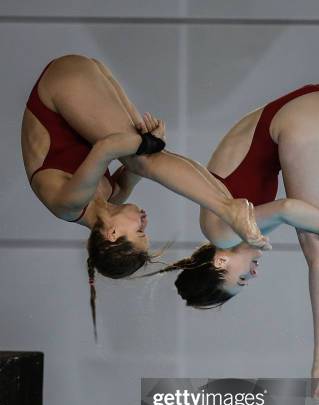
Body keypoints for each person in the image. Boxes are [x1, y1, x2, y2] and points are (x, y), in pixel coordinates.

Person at [21, 54, 269, 335]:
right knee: (146, 157)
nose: (145, 224)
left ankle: (225, 207)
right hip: (80, 79)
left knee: (142, 158)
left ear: (112, 234)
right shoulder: (109, 198)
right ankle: (225, 204)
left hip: (59, 87)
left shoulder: (69, 204)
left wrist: (146, 146)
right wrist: (153, 141)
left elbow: (107, 148)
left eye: (139, 233)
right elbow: (136, 171)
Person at [147, 84, 319, 404]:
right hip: (318, 107)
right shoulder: (238, 232)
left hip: (297, 116)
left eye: (242, 278)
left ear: (220, 262)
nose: (254, 275)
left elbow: (289, 208)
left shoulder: (222, 233)